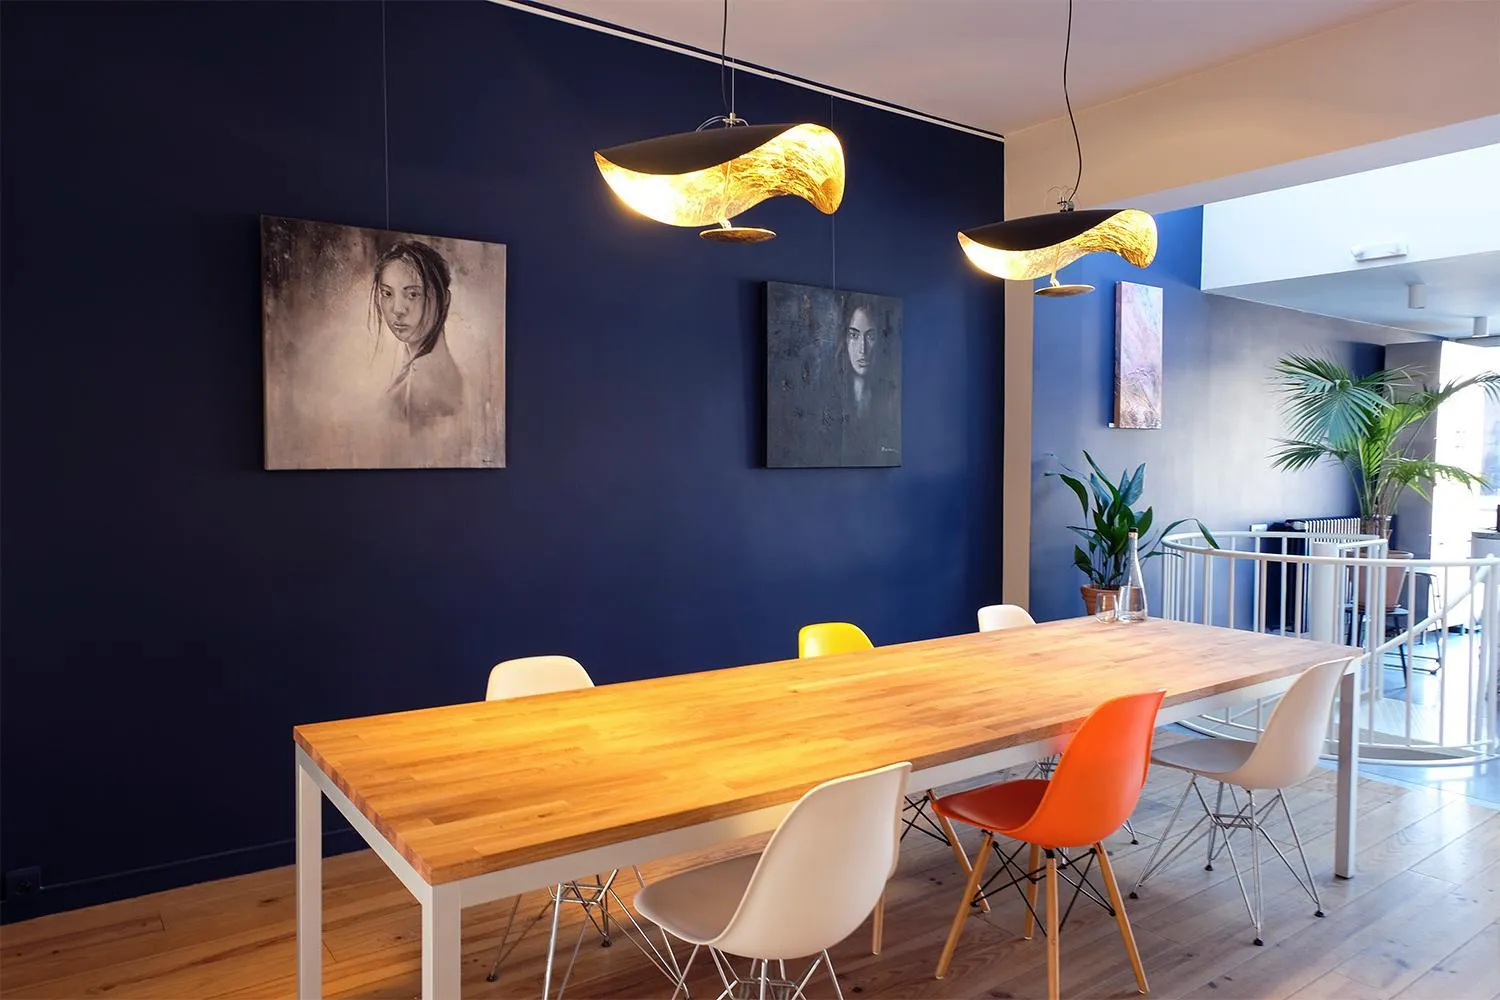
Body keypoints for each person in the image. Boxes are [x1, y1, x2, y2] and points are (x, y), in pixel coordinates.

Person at [369, 240, 462, 429]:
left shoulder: (425, 383)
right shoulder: (410, 368)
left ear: (444, 299)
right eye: (387, 294)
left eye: (413, 295)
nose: (397, 309)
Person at [826, 293, 899, 465]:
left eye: (871, 337)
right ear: (844, 339)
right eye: (854, 335)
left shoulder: (891, 401)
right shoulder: (828, 400)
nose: (862, 349)